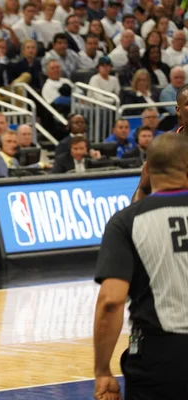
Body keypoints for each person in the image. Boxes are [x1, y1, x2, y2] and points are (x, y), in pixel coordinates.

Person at [93, 132, 188, 400]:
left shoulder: (126, 221)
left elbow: (111, 301)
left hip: (159, 356)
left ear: (147, 169)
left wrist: (102, 370)